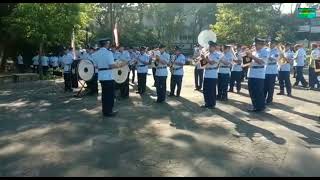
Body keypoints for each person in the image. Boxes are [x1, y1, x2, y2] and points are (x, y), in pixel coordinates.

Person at [92, 38, 126, 117]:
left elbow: (95, 66)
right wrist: (120, 65)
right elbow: (111, 65)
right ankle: (109, 111)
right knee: (110, 95)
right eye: (108, 43)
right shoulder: (108, 53)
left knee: (104, 95)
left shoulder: (95, 54)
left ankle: (105, 111)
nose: (109, 44)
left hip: (101, 76)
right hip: (108, 76)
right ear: (106, 44)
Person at [246, 38, 269, 112]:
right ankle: (255, 105)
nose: (254, 46)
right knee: (252, 91)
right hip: (251, 73)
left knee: (258, 91)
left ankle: (260, 107)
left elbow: (262, 62)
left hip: (259, 74)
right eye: (254, 44)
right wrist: (246, 59)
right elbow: (248, 62)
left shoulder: (265, 51)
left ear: (261, 44)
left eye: (256, 44)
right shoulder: (254, 52)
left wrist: (251, 56)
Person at [201, 41, 220, 109]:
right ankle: (207, 103)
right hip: (206, 73)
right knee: (205, 90)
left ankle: (212, 104)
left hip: (212, 74)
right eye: (209, 46)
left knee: (211, 90)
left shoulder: (217, 54)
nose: (209, 48)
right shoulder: (207, 54)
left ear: (214, 47)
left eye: (211, 47)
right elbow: (203, 63)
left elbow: (212, 63)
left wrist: (204, 58)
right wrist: (202, 59)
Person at [264, 39, 280, 105]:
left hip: (272, 70)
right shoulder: (266, 50)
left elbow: (274, 59)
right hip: (265, 70)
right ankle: (263, 98)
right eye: (269, 43)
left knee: (270, 86)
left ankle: (269, 99)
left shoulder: (276, 51)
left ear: (274, 44)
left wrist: (267, 57)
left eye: (271, 43)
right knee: (264, 86)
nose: (270, 45)